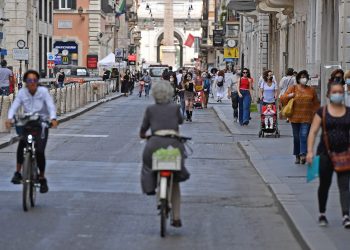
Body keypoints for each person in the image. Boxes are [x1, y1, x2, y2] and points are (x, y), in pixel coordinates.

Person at [139, 81, 190, 228]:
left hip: (154, 143)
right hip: (173, 144)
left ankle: (150, 187)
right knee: (175, 181)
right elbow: (181, 121)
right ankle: (177, 217)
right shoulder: (175, 107)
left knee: (148, 165)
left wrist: (144, 135)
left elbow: (143, 129)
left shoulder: (150, 109)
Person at [5, 70, 58, 193]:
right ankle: (18, 172)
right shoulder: (22, 93)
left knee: (39, 151)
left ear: (37, 81)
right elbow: (14, 106)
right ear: (26, 82)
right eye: (29, 80)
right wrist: (9, 118)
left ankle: (42, 177)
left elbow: (50, 106)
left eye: (35, 80)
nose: (32, 83)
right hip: (28, 122)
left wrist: (53, 118)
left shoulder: (43, 92)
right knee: (22, 144)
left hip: (42, 123)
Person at [306, 80, 350, 228]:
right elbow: (313, 132)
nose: (338, 95)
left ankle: (346, 215)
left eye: (340, 92)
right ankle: (322, 213)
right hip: (325, 154)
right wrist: (310, 152)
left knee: (344, 186)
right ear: (329, 94)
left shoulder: (348, 112)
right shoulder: (322, 112)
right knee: (325, 184)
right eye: (334, 92)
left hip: (344, 154)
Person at [281, 70, 320, 164]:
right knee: (296, 137)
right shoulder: (293, 88)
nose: (304, 79)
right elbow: (282, 98)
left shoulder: (311, 90)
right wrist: (290, 95)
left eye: (305, 77)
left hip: (307, 117)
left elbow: (316, 104)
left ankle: (303, 154)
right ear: (298, 79)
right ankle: (297, 155)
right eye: (302, 77)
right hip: (294, 117)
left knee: (304, 135)